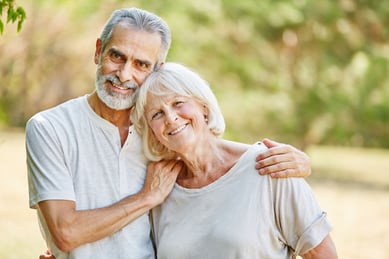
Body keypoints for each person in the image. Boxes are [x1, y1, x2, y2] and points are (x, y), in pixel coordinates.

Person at [26, 8, 312, 259]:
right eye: (117, 56)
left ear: (156, 69)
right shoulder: (50, 128)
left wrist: (290, 159)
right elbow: (65, 233)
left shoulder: (160, 133)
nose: (124, 74)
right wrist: (146, 198)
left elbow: (212, 157)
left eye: (141, 64)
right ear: (98, 50)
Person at [131, 62, 338, 258]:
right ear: (152, 131)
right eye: (157, 114)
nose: (170, 117)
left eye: (178, 103)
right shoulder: (160, 189)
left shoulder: (269, 165)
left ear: (203, 107)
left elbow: (321, 254)